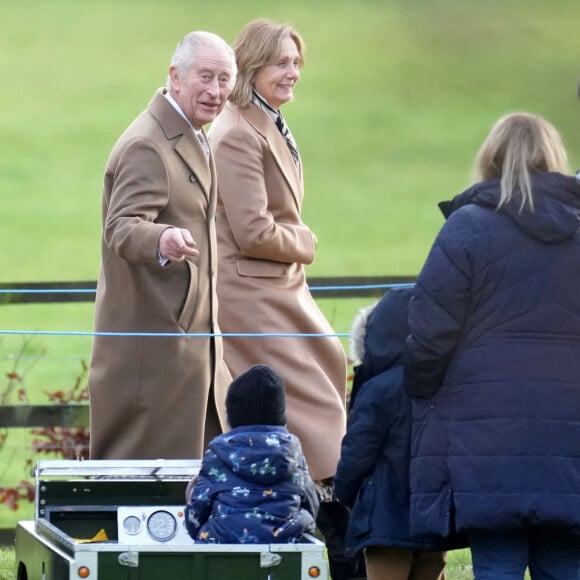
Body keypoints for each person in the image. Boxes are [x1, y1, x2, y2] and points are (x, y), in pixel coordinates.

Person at [404, 112, 580, 580]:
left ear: (491, 158)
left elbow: (429, 330)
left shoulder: (466, 228)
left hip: (485, 434)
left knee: (497, 561)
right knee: (566, 562)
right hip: (570, 428)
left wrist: (422, 387)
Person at [207, 18, 353, 577]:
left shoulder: (265, 120)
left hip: (277, 288)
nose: (292, 71)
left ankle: (326, 524)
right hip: (254, 294)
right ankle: (336, 531)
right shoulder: (238, 132)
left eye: (296, 61)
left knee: (325, 382)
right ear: (252, 68)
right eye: (280, 63)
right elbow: (253, 231)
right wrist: (307, 242)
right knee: (316, 404)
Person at [88, 31, 237, 460]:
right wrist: (162, 238)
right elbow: (121, 227)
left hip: (187, 351)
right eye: (205, 76)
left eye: (224, 80)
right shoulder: (147, 144)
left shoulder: (192, 131)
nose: (215, 91)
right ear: (175, 76)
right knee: (145, 495)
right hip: (153, 356)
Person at [335, 288, 449, 580]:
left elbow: (357, 452)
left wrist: (344, 493)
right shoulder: (447, 384)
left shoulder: (377, 390)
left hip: (386, 523)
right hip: (434, 517)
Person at [184, 364, 319, 544]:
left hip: (223, 543)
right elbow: (311, 503)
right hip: (284, 541)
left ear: (232, 415)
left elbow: (196, 513)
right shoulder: (292, 451)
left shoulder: (218, 453)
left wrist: (196, 528)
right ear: (279, 414)